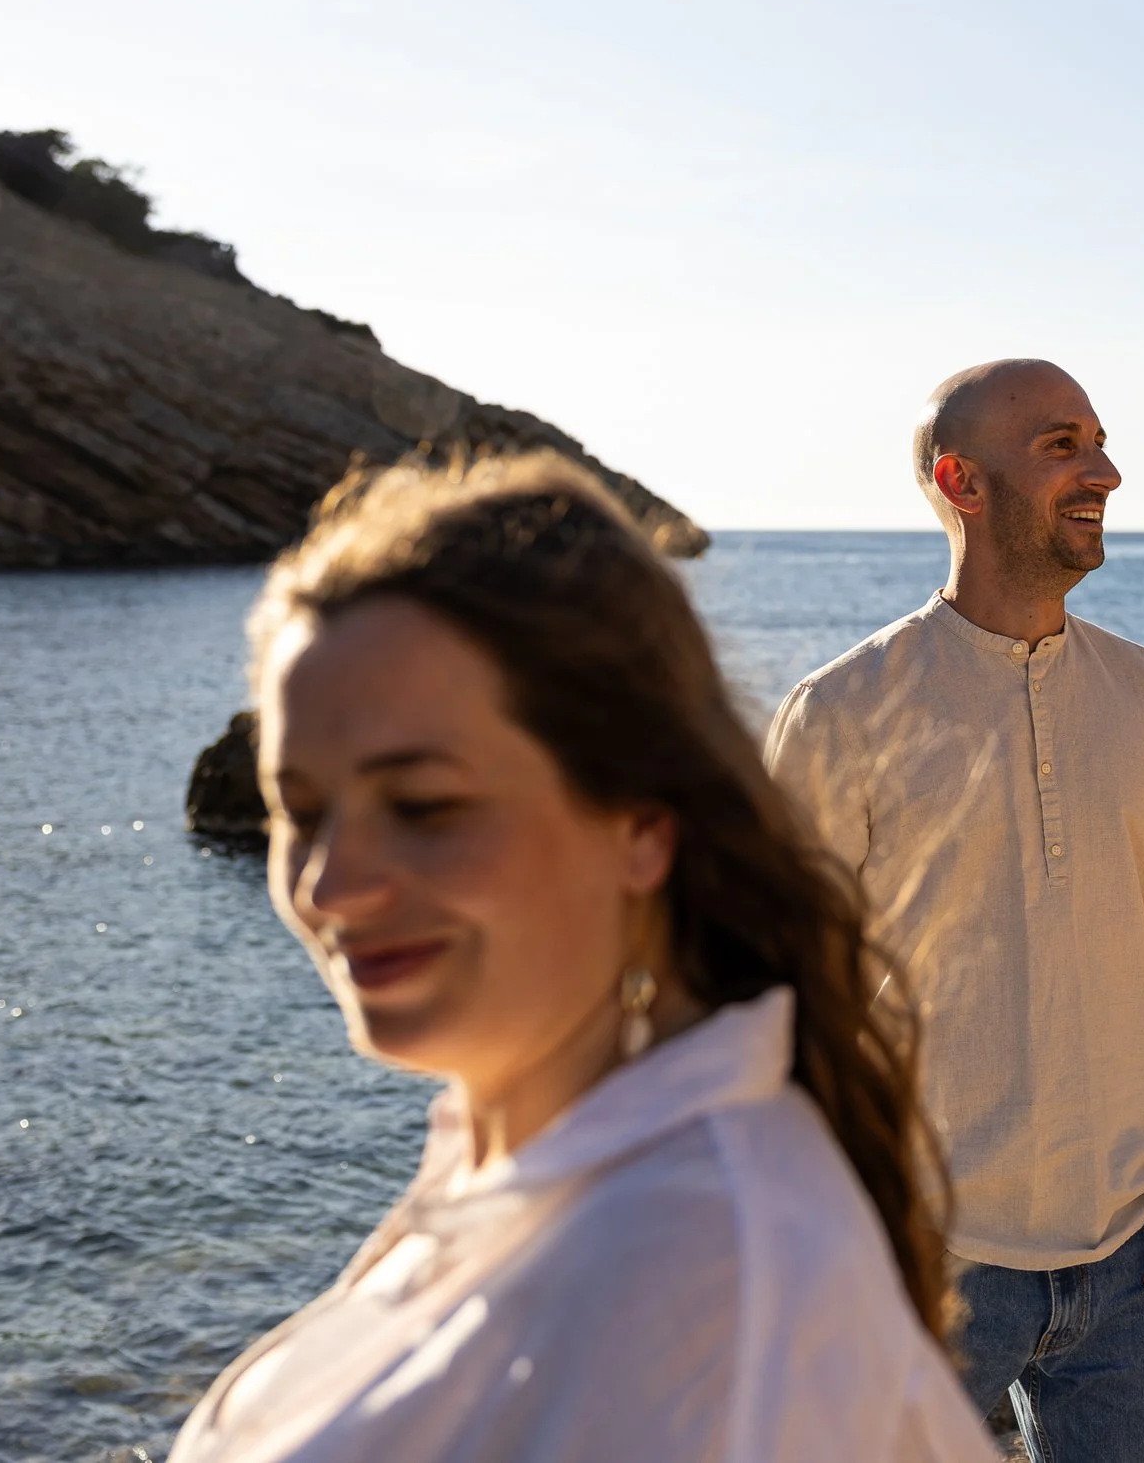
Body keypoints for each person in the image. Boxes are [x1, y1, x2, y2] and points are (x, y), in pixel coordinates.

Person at [169, 453, 995, 1463]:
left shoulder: (704, 1283)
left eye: (424, 806)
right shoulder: (538, 1162)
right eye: (299, 810)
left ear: (641, 820)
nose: (328, 884)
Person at [766, 360, 1144, 1462]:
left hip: (1132, 1243)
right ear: (962, 480)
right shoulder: (845, 711)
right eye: (1062, 445)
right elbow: (775, 989)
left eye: (1097, 439)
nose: (1105, 470)